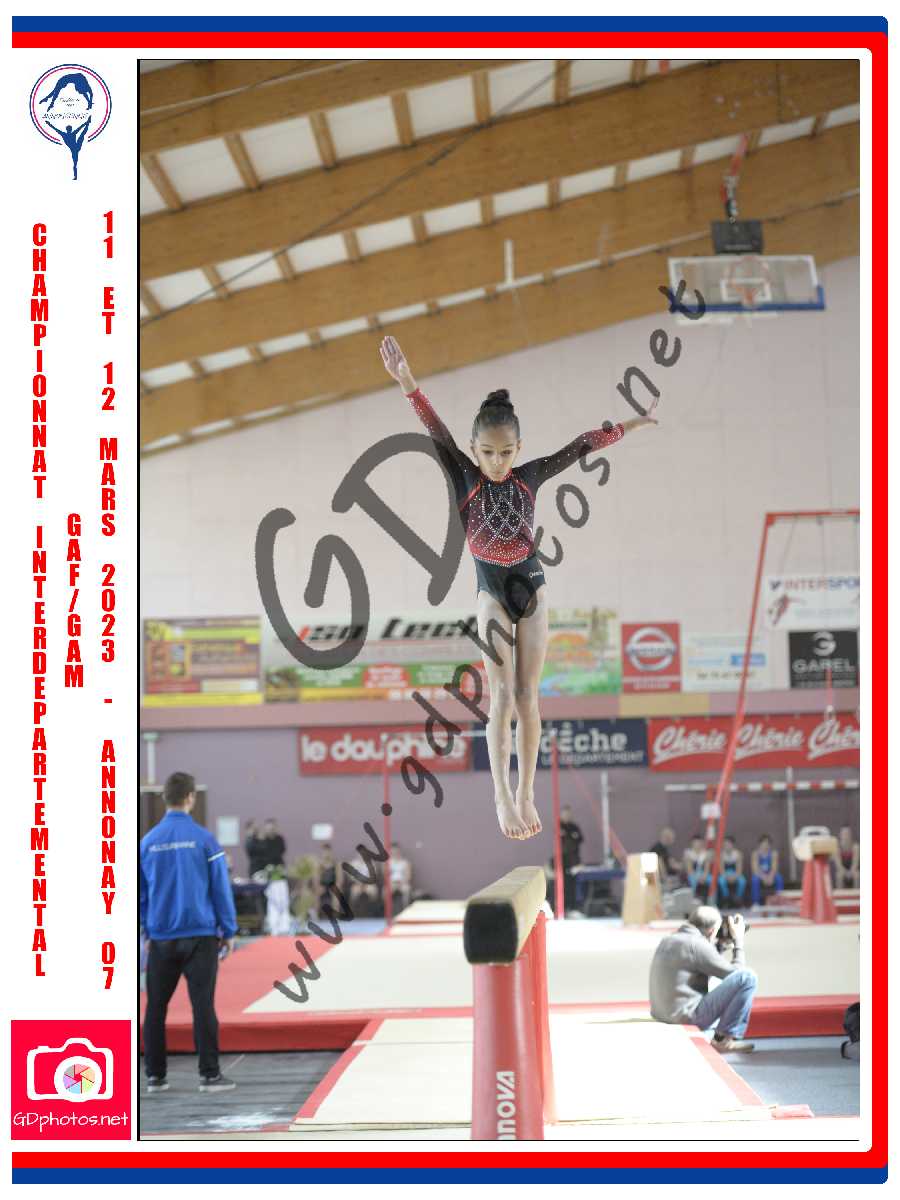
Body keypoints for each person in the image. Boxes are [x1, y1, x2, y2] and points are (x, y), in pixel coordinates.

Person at [380, 333, 657, 841]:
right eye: (487, 452)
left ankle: (527, 791)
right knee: (501, 698)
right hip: (490, 592)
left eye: (506, 452)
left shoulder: (529, 475)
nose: (497, 461)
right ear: (473, 450)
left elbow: (580, 446)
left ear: (519, 449)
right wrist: (408, 382)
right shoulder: (464, 476)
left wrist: (631, 425)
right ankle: (502, 797)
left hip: (533, 589)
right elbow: (434, 427)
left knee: (529, 697)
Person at [140, 771, 239, 1094]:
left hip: (161, 937)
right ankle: (209, 1076)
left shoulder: (147, 843)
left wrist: (146, 929)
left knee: (155, 1008)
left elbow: (140, 894)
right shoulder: (205, 840)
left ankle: (155, 1076)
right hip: (200, 936)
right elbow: (220, 888)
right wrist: (229, 929)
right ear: (191, 798)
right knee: (202, 1005)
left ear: (164, 799)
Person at [649, 905, 757, 1053]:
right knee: (748, 977)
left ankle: (716, 1034)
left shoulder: (669, 939)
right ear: (712, 930)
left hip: (662, 1015)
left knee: (719, 980)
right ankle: (722, 1040)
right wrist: (738, 942)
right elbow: (737, 974)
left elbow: (702, 963)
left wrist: (721, 945)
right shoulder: (696, 944)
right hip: (683, 1017)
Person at [560, 804, 585, 912]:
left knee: (575, 883)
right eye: (565, 814)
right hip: (563, 860)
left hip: (574, 860)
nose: (567, 816)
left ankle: (574, 906)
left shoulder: (574, 827)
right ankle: (565, 907)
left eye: (569, 814)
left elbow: (580, 839)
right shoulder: (559, 826)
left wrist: (570, 836)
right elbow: (562, 839)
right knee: (565, 884)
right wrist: (571, 836)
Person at [750, 834, 784, 906]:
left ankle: (779, 901)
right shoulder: (755, 854)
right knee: (755, 879)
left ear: (770, 845)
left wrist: (770, 877)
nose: (765, 846)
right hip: (760, 874)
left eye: (767, 844)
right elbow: (755, 869)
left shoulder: (773, 853)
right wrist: (764, 877)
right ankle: (756, 902)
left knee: (779, 878)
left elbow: (774, 868)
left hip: (770, 874)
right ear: (759, 844)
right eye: (763, 843)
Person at [717, 836, 747, 907]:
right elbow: (721, 870)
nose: (727, 846)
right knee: (721, 881)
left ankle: (738, 898)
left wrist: (734, 877)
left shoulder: (738, 854)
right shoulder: (721, 855)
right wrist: (727, 877)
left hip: (735, 874)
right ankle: (726, 898)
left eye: (728, 844)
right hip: (725, 874)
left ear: (733, 845)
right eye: (725, 844)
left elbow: (739, 870)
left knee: (742, 881)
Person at [389, 842, 413, 913]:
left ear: (399, 851)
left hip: (402, 883)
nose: (395, 853)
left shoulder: (405, 862)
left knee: (406, 890)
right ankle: (388, 911)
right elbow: (385, 876)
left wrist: (401, 883)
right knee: (386, 891)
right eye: (393, 851)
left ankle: (405, 910)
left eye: (396, 851)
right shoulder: (387, 863)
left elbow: (408, 876)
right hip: (391, 883)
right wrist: (393, 883)